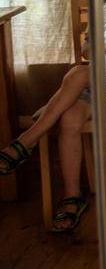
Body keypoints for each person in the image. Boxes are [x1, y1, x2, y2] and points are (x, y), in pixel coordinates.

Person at [0, 62, 92, 232]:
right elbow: (87, 51)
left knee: (79, 73)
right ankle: (73, 196)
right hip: (92, 89)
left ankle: (26, 140)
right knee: (69, 118)